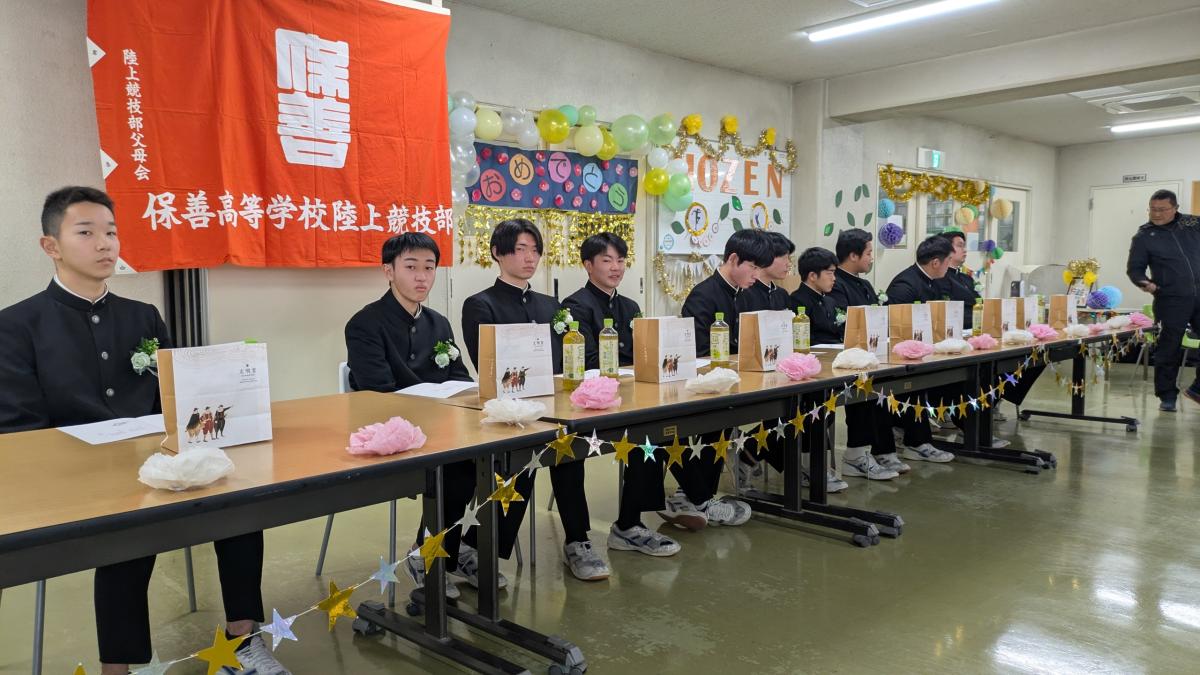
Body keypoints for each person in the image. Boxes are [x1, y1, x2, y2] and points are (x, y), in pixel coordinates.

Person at [0, 187, 287, 674]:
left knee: (238, 500)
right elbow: (21, 432)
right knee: (127, 527)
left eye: (111, 232)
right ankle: (118, 667)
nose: (104, 244)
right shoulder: (16, 325)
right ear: (51, 246)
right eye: (86, 232)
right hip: (74, 475)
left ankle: (243, 639)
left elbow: (175, 402)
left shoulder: (143, 316)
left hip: (156, 461)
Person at [461, 219, 610, 580]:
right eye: (520, 249)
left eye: (535, 250)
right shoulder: (480, 305)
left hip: (551, 406)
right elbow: (488, 367)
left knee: (569, 449)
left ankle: (578, 541)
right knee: (522, 460)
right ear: (497, 253)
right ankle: (480, 550)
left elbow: (562, 362)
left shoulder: (550, 305)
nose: (530, 258)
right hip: (505, 413)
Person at [346, 232, 488, 598]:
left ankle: (457, 548)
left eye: (429, 267)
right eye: (411, 267)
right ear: (388, 272)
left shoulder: (439, 322)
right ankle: (430, 557)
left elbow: (460, 379)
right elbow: (377, 394)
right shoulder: (364, 324)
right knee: (459, 466)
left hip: (441, 425)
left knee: (498, 457)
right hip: (392, 430)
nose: (422, 277)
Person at [561, 233, 679, 557]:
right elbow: (587, 361)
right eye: (607, 260)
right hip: (589, 405)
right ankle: (580, 538)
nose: (616, 267)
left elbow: (643, 352)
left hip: (631, 398)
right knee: (570, 453)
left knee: (655, 431)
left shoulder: (630, 306)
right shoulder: (575, 306)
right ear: (588, 265)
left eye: (621, 260)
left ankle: (629, 524)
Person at [659, 229, 772, 529]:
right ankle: (699, 497)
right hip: (696, 387)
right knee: (707, 425)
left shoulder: (743, 295)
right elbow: (696, 352)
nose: (756, 275)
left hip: (729, 384)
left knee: (727, 421)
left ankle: (694, 496)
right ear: (733, 259)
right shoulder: (703, 295)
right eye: (753, 267)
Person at [826, 229, 909, 481]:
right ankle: (856, 455)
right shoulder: (836, 285)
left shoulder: (864, 283)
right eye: (869, 252)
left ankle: (882, 450)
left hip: (872, 353)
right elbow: (841, 325)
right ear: (853, 255)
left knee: (886, 387)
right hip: (847, 359)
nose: (872, 257)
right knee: (865, 391)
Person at [733, 232, 804, 490]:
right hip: (753, 373)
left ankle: (752, 451)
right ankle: (753, 453)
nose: (788, 264)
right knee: (787, 410)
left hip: (780, 371)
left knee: (810, 404)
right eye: (784, 257)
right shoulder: (745, 294)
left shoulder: (782, 294)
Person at [884, 235, 957, 464]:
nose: (950, 266)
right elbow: (896, 326)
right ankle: (917, 442)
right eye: (948, 261)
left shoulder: (935, 281)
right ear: (935, 262)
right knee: (915, 383)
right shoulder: (905, 285)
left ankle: (965, 427)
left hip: (926, 350)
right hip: (901, 356)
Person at [1126, 189, 1200, 411]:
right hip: (1170, 299)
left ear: (1175, 208)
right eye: (1152, 209)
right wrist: (1145, 283)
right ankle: (1167, 396)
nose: (1156, 214)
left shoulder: (1192, 224)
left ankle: (1197, 389)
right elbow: (1134, 269)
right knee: (1169, 348)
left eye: (1162, 209)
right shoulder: (1144, 236)